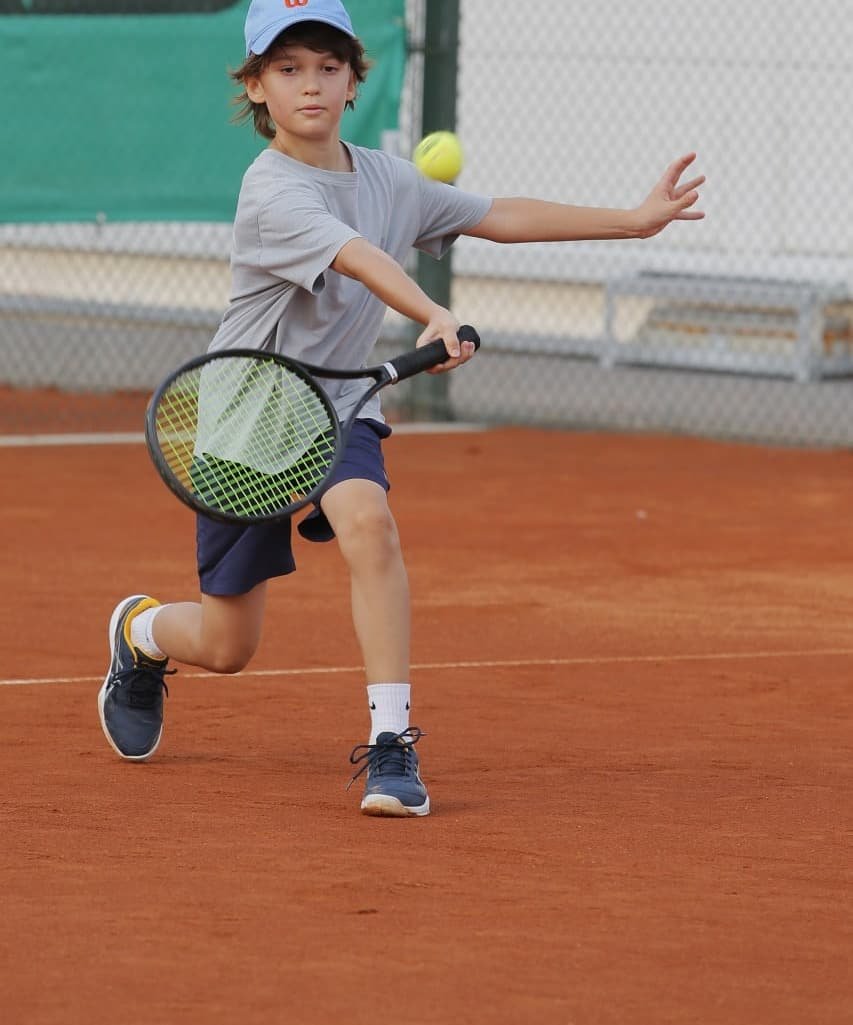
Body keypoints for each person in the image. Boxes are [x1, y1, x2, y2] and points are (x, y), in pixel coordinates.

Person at [98, 0, 705, 817]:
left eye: (327, 66)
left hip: (340, 404)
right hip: (249, 420)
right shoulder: (269, 188)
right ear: (255, 88)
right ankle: (138, 635)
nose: (309, 83)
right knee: (225, 644)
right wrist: (432, 313)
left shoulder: (387, 177)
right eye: (287, 69)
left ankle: (391, 745)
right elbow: (357, 257)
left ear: (354, 81)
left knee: (368, 524)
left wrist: (630, 223)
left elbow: (494, 214)